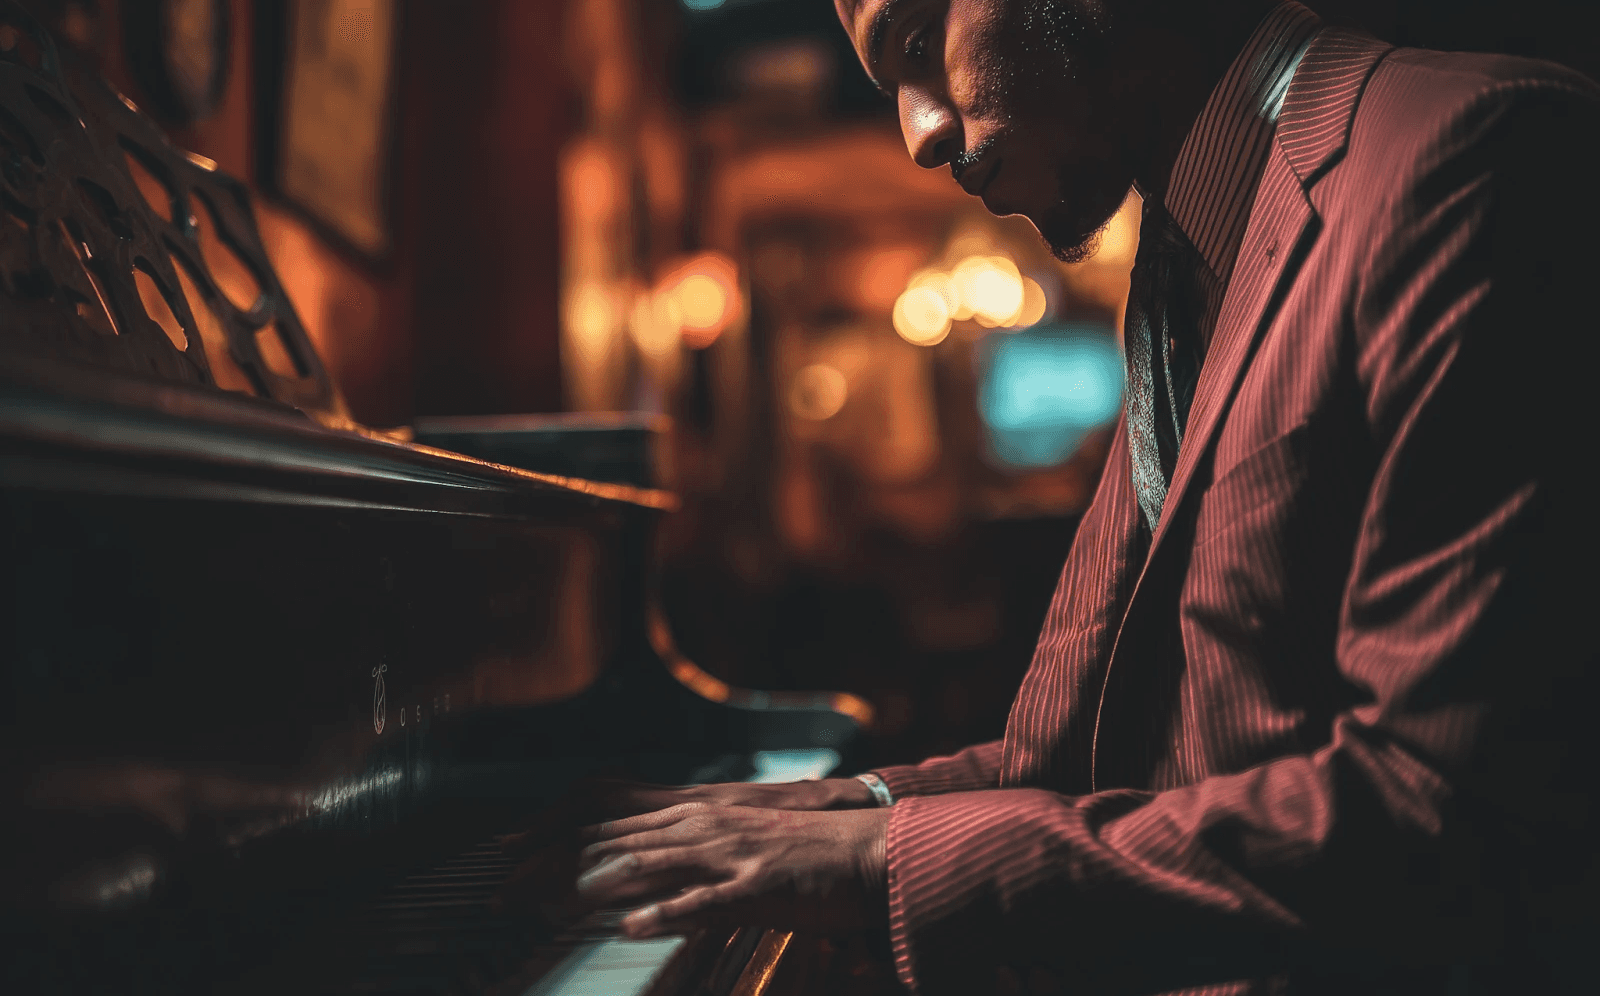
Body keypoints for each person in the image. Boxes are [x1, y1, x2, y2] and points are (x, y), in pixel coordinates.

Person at [499, 1, 1600, 992]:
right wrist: (859, 807)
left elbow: (1446, 826)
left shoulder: (1481, 155)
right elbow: (1131, 757)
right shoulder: (1189, 251)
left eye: (919, 47)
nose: (919, 135)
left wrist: (877, 862)